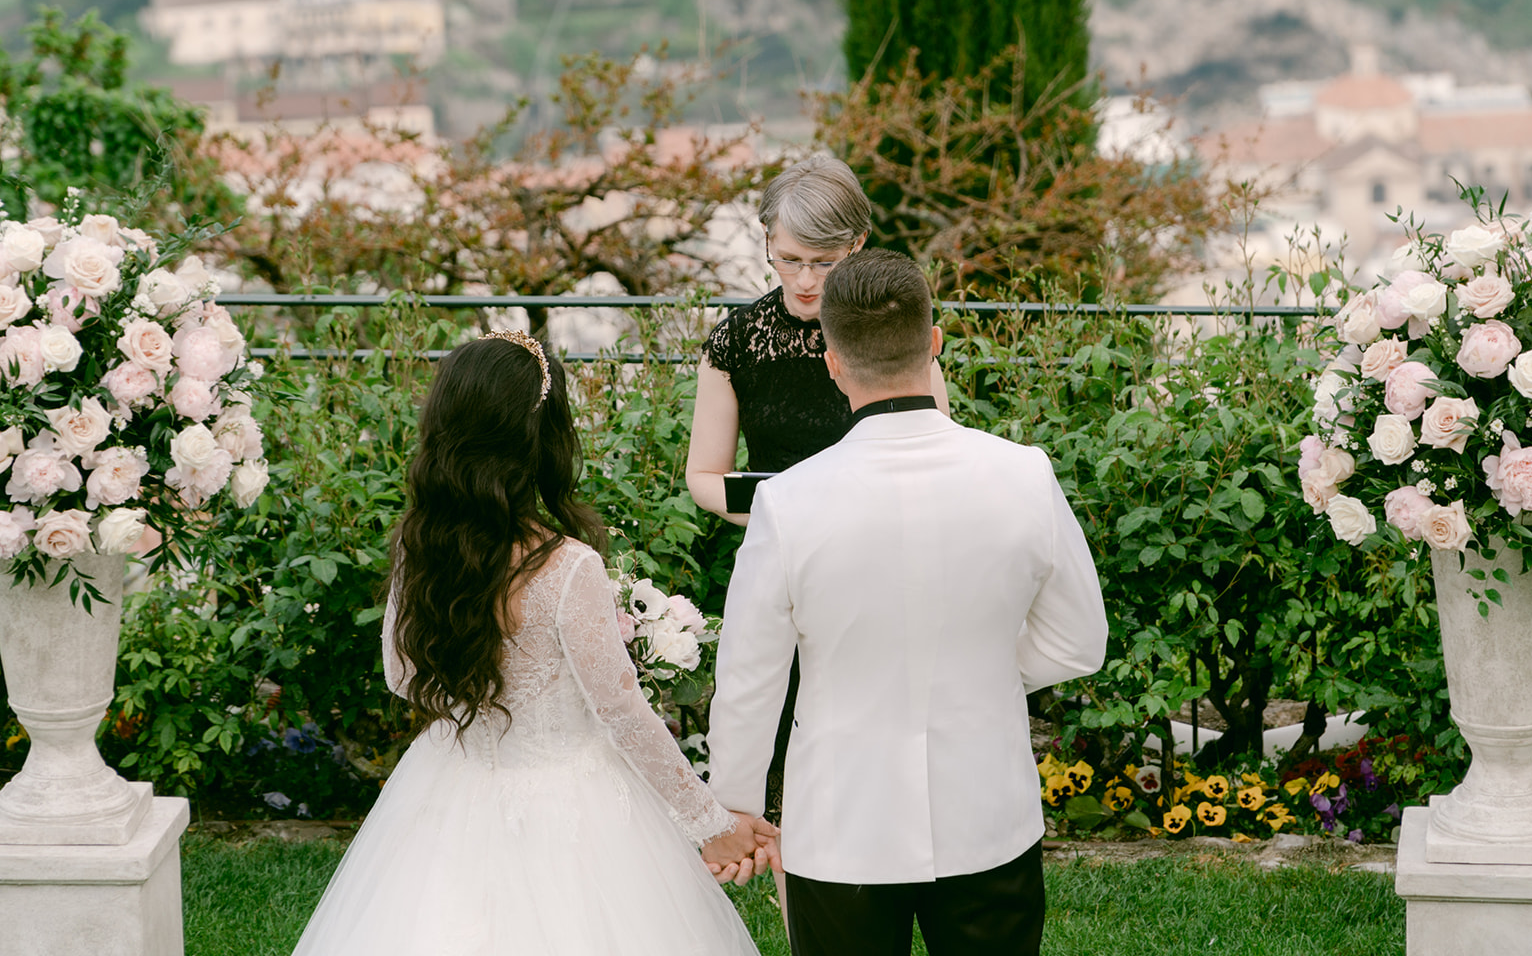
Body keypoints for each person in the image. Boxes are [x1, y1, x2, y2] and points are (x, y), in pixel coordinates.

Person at [292, 332, 774, 956]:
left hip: (453, 780)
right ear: (542, 438)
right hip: (570, 802)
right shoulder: (568, 567)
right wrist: (711, 824)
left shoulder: (423, 547)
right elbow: (622, 713)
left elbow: (401, 677)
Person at [707, 251, 1109, 956]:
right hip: (989, 814)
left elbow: (749, 676)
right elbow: (1080, 641)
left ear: (832, 362)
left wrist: (737, 803)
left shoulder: (788, 502)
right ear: (934, 344)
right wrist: (982, 671)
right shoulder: (1024, 475)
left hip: (840, 825)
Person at [686, 153, 949, 525]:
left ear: (856, 243)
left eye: (824, 262)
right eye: (789, 259)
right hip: (778, 541)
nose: (804, 281)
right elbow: (703, 476)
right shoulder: (736, 341)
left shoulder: (892, 323)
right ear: (767, 238)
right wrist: (789, 517)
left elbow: (937, 452)